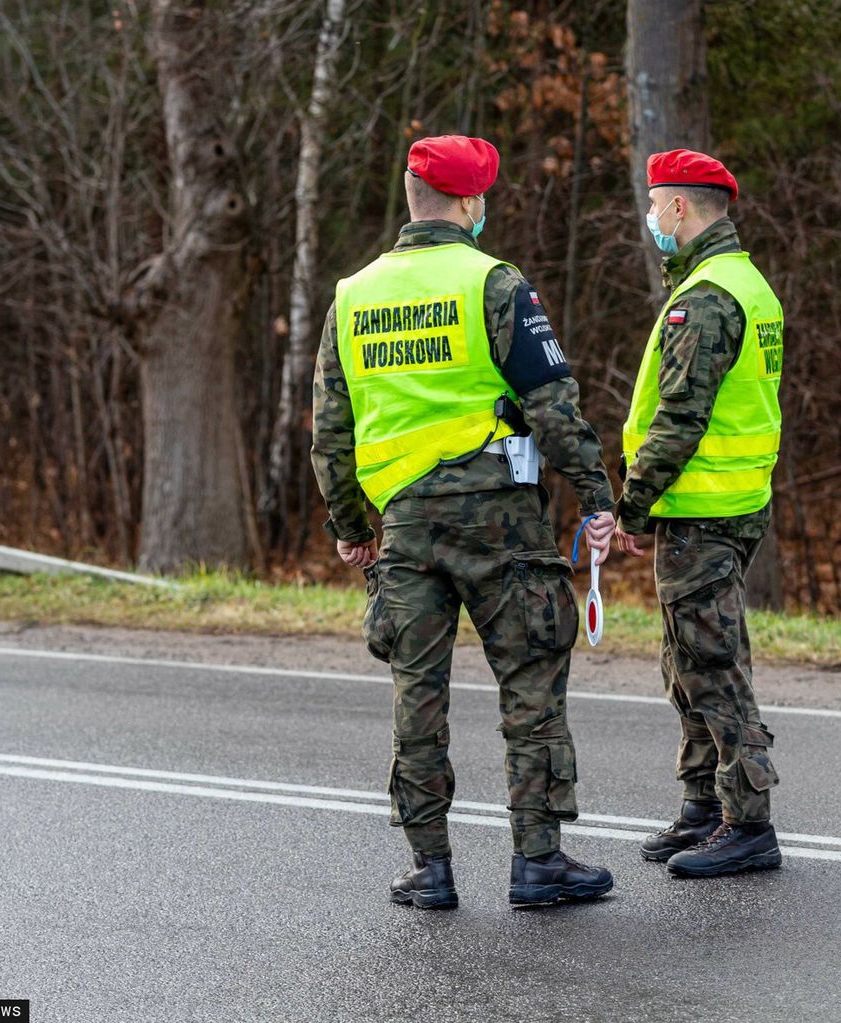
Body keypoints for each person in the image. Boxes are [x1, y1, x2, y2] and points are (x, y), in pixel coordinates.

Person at [311, 134, 616, 909]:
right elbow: (552, 401)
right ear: (470, 203)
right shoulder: (494, 283)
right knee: (531, 680)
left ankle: (430, 867)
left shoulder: (352, 294)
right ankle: (538, 860)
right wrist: (598, 494)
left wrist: (351, 521)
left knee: (418, 693)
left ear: (412, 203)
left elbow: (330, 428)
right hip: (498, 518)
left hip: (405, 522)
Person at [615, 149, 784, 878]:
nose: (652, 219)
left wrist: (631, 502)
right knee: (685, 658)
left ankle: (746, 823)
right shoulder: (742, 284)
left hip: (703, 507)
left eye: (656, 207)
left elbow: (680, 418)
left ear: (679, 208)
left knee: (712, 664)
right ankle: (703, 808)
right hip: (726, 501)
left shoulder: (709, 297)